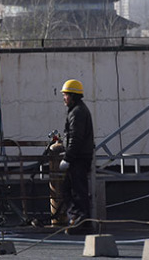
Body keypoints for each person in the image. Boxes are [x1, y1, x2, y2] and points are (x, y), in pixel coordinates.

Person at [59, 79, 95, 233]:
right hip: (80, 157)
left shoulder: (77, 112)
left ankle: (80, 222)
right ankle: (82, 221)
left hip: (78, 158)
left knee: (74, 190)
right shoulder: (77, 110)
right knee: (74, 189)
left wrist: (67, 158)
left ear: (73, 96)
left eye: (66, 95)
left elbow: (76, 138)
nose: (64, 98)